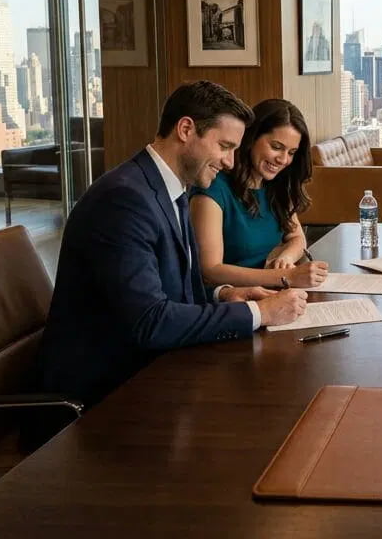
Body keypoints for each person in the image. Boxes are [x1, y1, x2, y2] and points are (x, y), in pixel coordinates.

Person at [40, 81, 308, 408]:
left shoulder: (170, 188)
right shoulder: (123, 200)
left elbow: (171, 291)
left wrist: (224, 295)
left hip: (154, 371)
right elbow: (150, 321)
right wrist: (257, 312)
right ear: (185, 129)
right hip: (105, 397)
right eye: (224, 146)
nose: (229, 161)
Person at [191, 99, 329, 290]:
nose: (283, 160)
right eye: (276, 147)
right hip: (231, 302)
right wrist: (284, 276)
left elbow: (297, 238)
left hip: (270, 292)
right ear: (251, 138)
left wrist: (285, 257)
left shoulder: (276, 185)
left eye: (291, 152)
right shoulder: (212, 190)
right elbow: (211, 270)